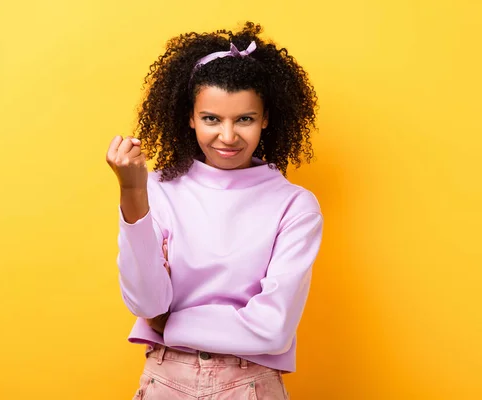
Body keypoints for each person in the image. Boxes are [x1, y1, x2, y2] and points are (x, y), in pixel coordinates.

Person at [106, 21, 323, 399]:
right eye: (211, 119)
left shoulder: (294, 205)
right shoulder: (156, 189)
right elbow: (145, 303)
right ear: (189, 117)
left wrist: (170, 324)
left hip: (249, 385)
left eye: (244, 119)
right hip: (165, 383)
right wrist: (132, 191)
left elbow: (272, 329)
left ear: (266, 119)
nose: (227, 136)